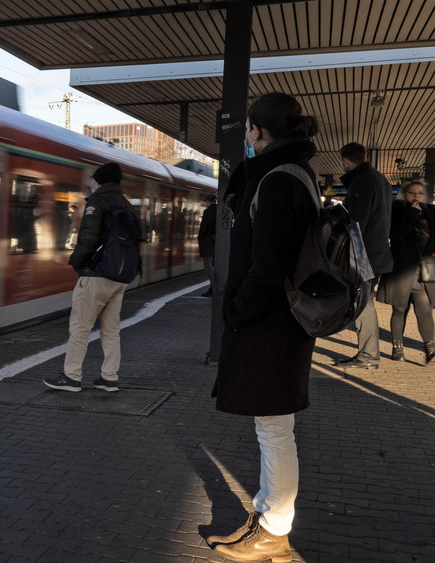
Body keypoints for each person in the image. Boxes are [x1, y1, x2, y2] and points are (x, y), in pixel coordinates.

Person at [208, 92, 319, 562]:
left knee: (274, 429)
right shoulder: (299, 175)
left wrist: (236, 311)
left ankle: (274, 529)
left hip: (270, 324)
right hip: (284, 322)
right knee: (273, 426)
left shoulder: (275, 181)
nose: (247, 139)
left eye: (250, 131)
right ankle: (265, 515)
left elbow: (267, 264)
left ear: (259, 131)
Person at [43, 163, 132, 393]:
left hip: (97, 274)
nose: (91, 184)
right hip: (120, 277)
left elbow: (89, 238)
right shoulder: (126, 204)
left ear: (100, 181)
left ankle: (72, 378)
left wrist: (77, 262)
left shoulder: (97, 201)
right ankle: (109, 378)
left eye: (93, 180)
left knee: (80, 328)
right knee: (111, 330)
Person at [332, 142, 393, 369]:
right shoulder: (381, 180)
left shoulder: (362, 182)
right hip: (377, 254)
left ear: (345, 160)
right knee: (364, 303)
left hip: (364, 256)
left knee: (362, 305)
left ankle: (368, 356)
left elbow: (355, 224)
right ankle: (368, 354)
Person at [376, 180, 435, 364]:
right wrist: (411, 214)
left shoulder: (431, 212)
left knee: (424, 309)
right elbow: (396, 235)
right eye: (412, 192)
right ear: (404, 194)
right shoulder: (397, 210)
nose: (416, 196)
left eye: (420, 193)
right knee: (400, 309)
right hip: (401, 269)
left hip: (425, 269)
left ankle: (430, 348)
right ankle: (397, 349)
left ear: (425, 196)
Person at [198, 195, 217, 297]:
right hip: (215, 242)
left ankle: (214, 287)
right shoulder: (219, 210)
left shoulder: (208, 212)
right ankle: (214, 287)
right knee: (212, 265)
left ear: (208, 201)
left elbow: (204, 228)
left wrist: (200, 237)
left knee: (208, 266)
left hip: (207, 242)